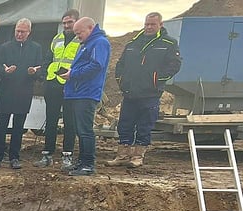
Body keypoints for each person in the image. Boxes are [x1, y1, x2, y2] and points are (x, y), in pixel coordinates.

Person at [107, 12, 181, 168]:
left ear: (160, 25)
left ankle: (137, 156)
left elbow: (174, 65)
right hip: (130, 92)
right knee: (125, 124)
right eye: (147, 24)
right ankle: (122, 155)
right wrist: (122, 81)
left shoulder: (168, 43)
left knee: (144, 125)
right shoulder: (133, 43)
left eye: (152, 24)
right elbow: (121, 64)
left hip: (150, 94)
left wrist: (156, 80)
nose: (149, 27)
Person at [0, 18, 43, 169]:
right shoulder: (5, 47)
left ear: (29, 32)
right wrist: (4, 71)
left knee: (18, 128)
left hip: (24, 92)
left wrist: (34, 72)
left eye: (22, 32)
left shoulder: (36, 48)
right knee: (1, 127)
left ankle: (14, 157)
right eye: (17, 31)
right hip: (6, 91)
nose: (19, 34)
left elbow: (40, 70)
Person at [60, 17, 110, 176]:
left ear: (90, 28)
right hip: (77, 92)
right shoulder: (87, 44)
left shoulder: (99, 43)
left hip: (86, 93)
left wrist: (73, 74)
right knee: (80, 130)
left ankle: (88, 164)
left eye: (79, 33)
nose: (77, 36)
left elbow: (96, 65)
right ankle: (82, 162)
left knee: (85, 130)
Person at [35, 9, 80, 169]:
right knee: (51, 120)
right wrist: (44, 75)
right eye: (64, 23)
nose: (66, 25)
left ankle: (67, 156)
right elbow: (48, 58)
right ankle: (47, 154)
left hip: (70, 86)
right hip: (53, 84)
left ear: (77, 22)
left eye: (70, 22)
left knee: (69, 122)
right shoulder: (57, 38)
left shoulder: (81, 40)